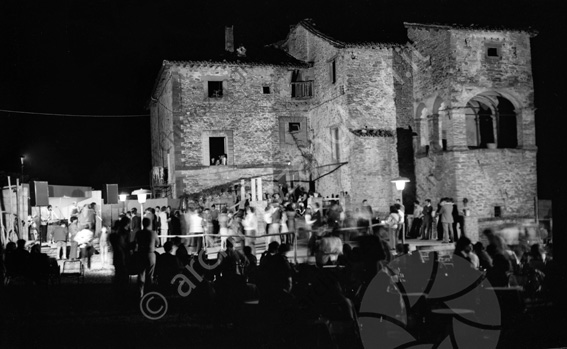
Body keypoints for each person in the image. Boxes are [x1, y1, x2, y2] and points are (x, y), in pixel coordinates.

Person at [135, 217, 158, 297]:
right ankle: (148, 293)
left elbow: (136, 242)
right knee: (149, 275)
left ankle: (140, 292)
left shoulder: (138, 233)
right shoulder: (153, 233)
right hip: (150, 254)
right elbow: (157, 243)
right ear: (150, 224)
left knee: (141, 274)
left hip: (141, 254)